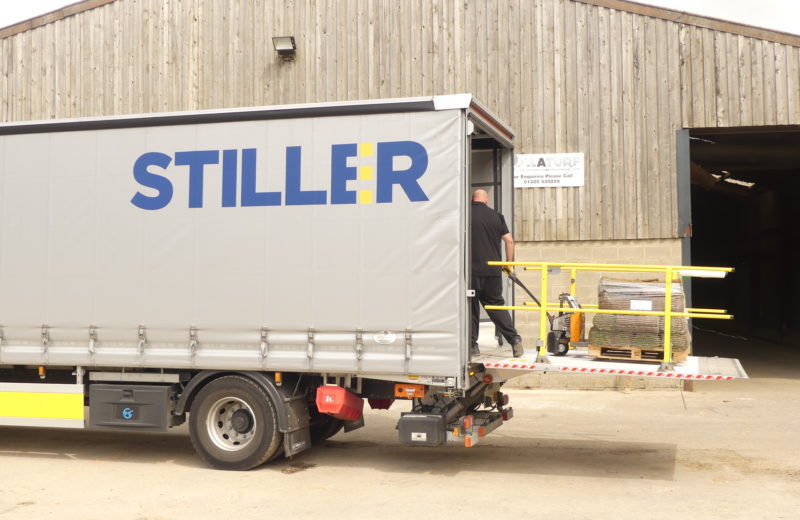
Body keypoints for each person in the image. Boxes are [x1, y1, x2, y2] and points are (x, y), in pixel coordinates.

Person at [470, 189, 524, 357]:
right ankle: (514, 339)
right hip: (493, 270)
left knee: (471, 308)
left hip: (471, 271)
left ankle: (473, 347)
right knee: (496, 306)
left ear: (473, 199)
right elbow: (509, 240)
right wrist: (509, 264)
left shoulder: (465, 214)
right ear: (486, 201)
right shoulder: (496, 216)